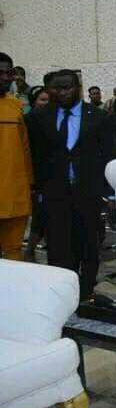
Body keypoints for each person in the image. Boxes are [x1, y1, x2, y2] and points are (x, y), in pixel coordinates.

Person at [26, 69, 114, 300]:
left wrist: (108, 194)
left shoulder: (98, 116)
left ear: (78, 88)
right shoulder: (37, 118)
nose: (62, 92)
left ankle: (86, 293)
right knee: (58, 248)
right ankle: (64, 296)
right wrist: (37, 191)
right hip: (54, 194)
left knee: (89, 247)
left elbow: (109, 155)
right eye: (56, 88)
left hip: (89, 193)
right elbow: (35, 156)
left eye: (67, 87)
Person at [0, 53, 33, 261]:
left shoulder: (17, 107)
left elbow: (26, 149)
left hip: (15, 196)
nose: (6, 77)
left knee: (14, 256)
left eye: (9, 72)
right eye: (0, 73)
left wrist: (30, 185)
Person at [24, 86, 52, 262]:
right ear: (34, 102)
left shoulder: (53, 119)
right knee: (40, 215)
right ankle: (29, 250)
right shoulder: (27, 121)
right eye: (42, 100)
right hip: (35, 176)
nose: (46, 103)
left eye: (48, 100)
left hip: (52, 175)